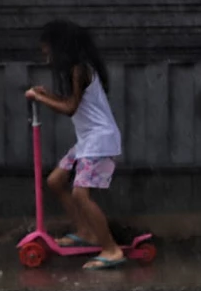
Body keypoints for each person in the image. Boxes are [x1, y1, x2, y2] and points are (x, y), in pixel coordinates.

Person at [24, 20, 126, 270]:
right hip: (87, 140)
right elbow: (73, 103)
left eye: (49, 53)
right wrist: (47, 94)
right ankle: (86, 232)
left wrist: (39, 98)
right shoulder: (77, 70)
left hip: (99, 140)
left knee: (81, 194)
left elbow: (70, 109)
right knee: (56, 181)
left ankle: (112, 250)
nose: (48, 59)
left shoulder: (80, 70)